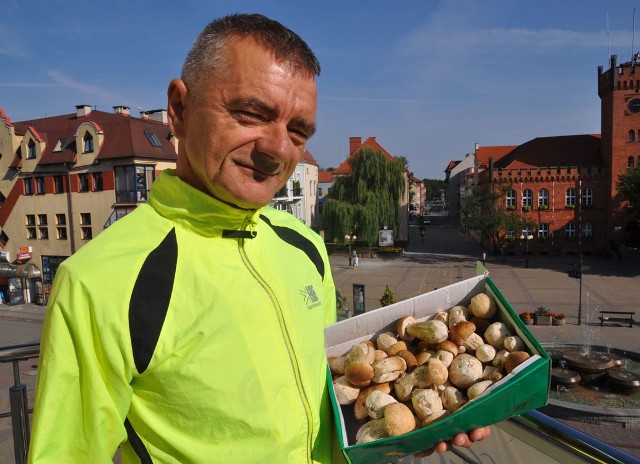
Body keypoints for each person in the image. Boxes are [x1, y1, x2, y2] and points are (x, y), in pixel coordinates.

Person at [28, 14, 489, 463]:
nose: (277, 150)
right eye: (251, 113)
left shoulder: (304, 246)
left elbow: (329, 408)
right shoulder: (98, 283)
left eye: (297, 131)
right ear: (179, 110)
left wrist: (405, 428)